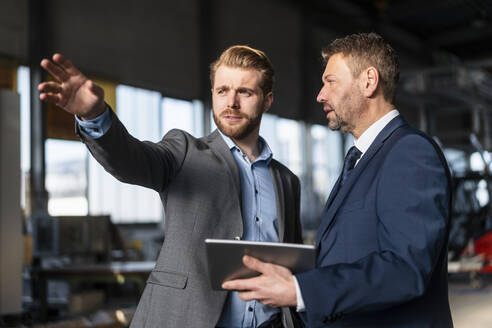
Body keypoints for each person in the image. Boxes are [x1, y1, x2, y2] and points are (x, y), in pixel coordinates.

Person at [38, 45, 304, 328]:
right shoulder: (185, 151)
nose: (232, 103)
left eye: (245, 93)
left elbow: (293, 266)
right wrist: (95, 117)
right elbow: (131, 159)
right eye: (222, 91)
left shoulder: (286, 181)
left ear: (267, 100)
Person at [223, 33, 453, 327]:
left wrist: (301, 290)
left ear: (369, 81)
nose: (320, 95)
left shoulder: (409, 152)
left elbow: (405, 268)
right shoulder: (361, 159)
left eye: (330, 81)